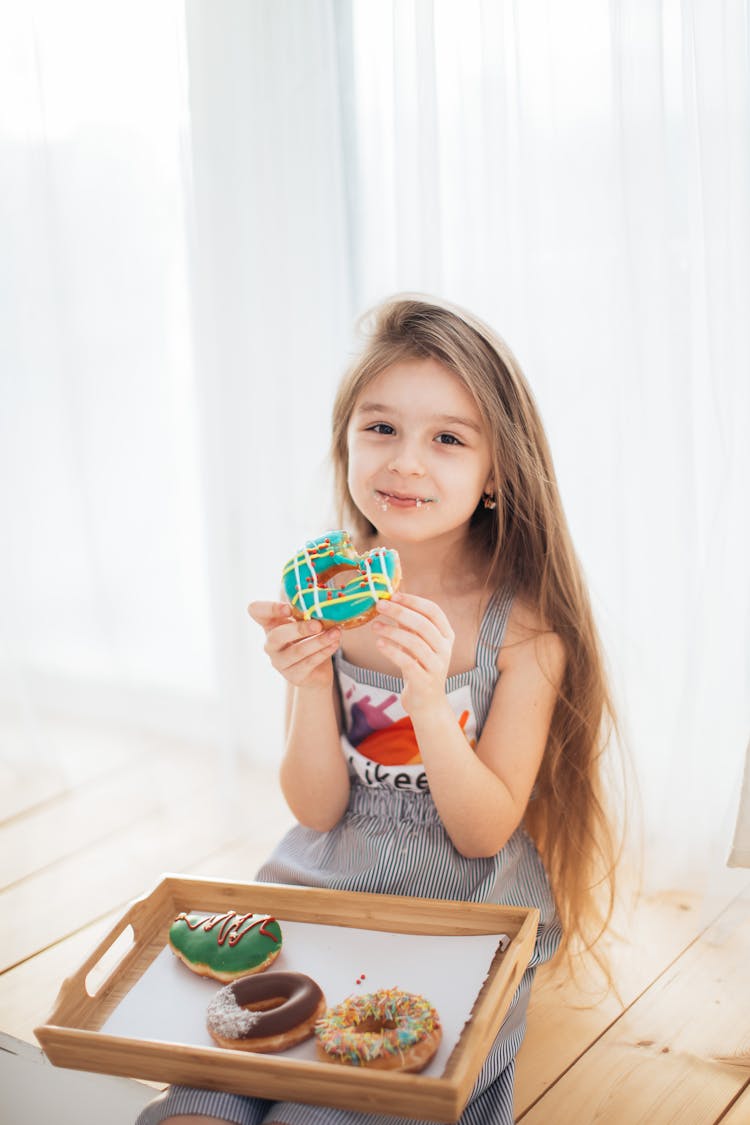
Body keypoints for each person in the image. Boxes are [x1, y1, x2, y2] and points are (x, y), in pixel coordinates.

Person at [137, 295, 620, 1125]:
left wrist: (429, 697)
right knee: (203, 1096)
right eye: (381, 428)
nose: (406, 462)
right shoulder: (327, 595)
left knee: (330, 1108)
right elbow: (318, 807)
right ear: (346, 442)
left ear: (499, 471)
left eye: (448, 438)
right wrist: (306, 677)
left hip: (457, 911)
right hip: (325, 887)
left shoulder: (526, 629)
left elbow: (481, 831)